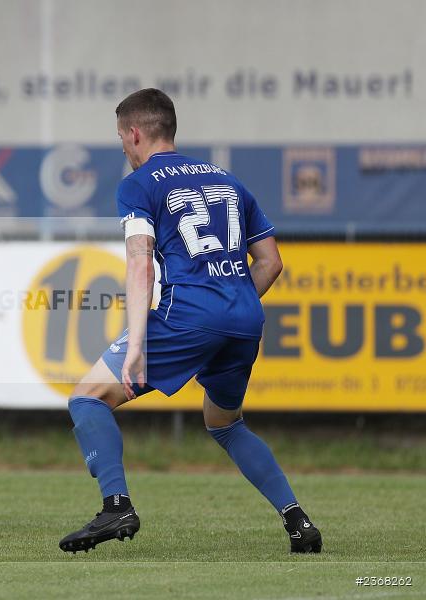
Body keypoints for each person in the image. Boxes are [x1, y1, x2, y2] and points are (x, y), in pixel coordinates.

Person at [58, 89, 321, 554]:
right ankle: (297, 520)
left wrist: (136, 343)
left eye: (120, 138)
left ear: (134, 134)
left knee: (87, 398)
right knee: (225, 422)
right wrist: (230, 304)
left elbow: (140, 259)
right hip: (245, 317)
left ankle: (116, 505)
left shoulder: (138, 184)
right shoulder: (227, 180)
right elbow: (271, 262)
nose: (123, 147)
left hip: (189, 315)